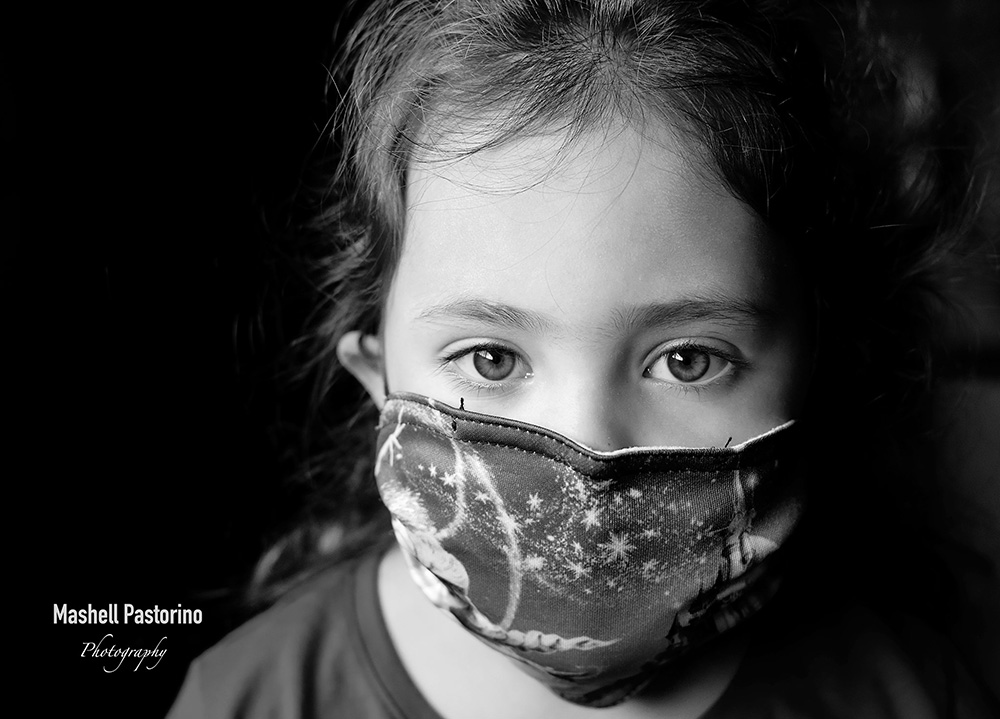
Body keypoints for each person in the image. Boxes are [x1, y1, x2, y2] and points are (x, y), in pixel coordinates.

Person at [167, 0, 997, 716]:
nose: (587, 451)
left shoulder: (914, 697)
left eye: (687, 360)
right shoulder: (250, 700)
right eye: (491, 357)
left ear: (817, 367)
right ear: (375, 382)